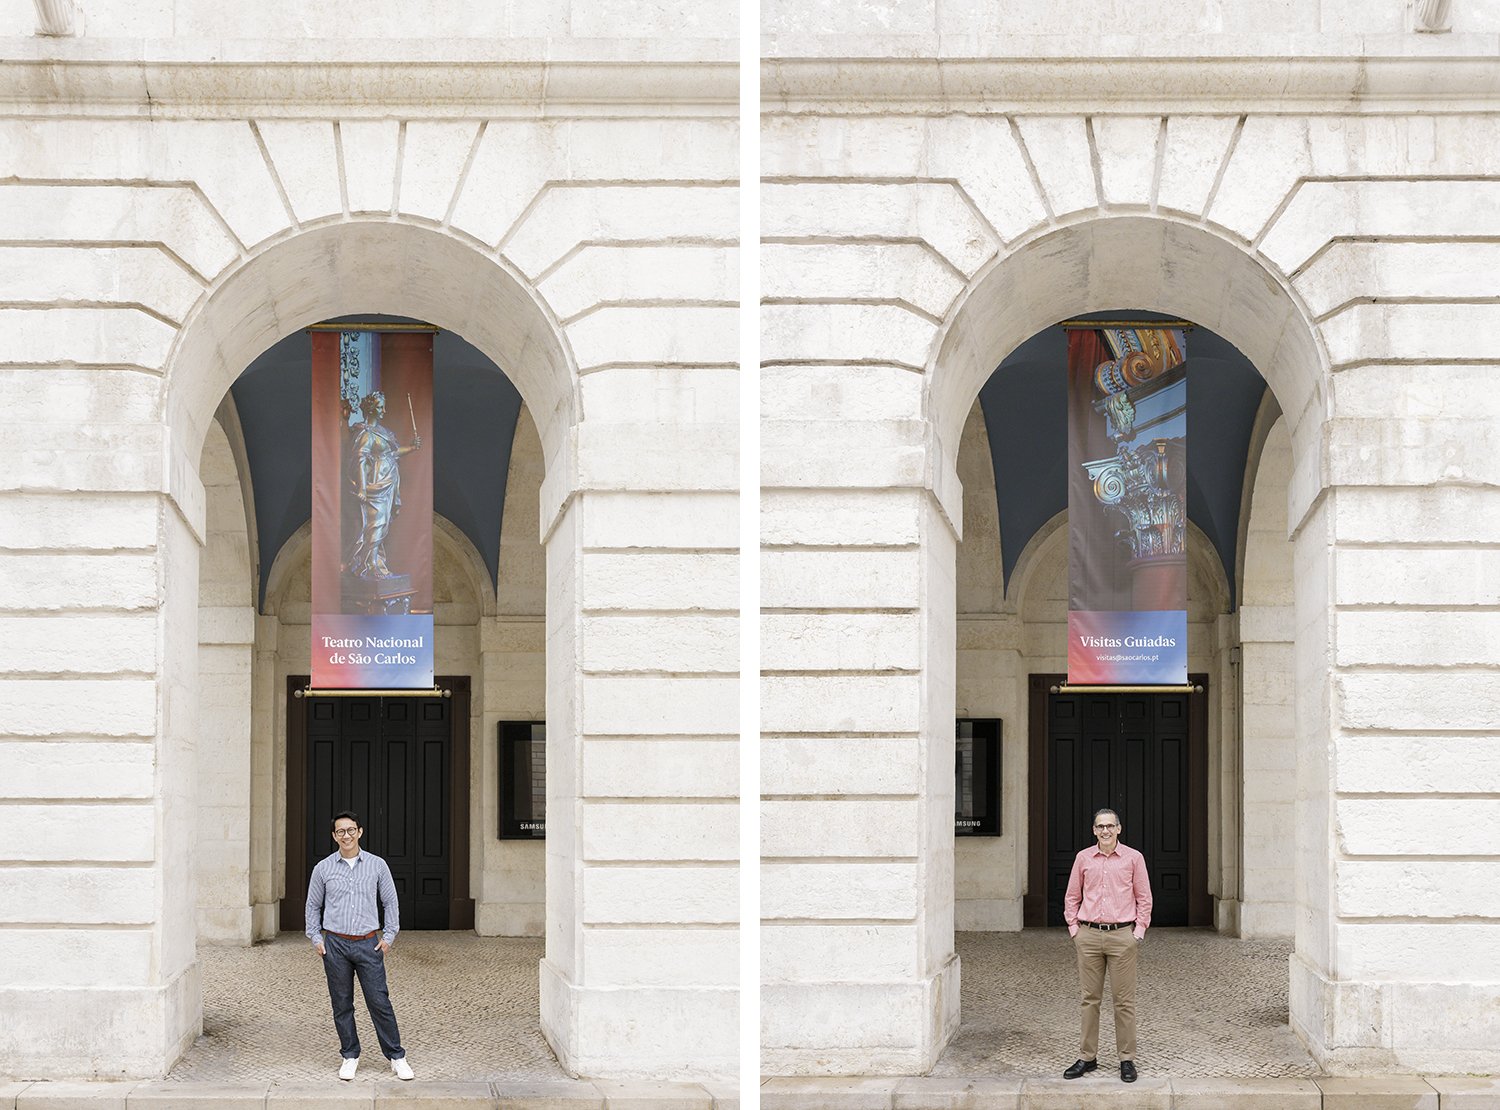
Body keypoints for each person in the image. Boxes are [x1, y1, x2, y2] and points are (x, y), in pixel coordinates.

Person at [304, 811, 415, 1081]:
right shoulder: (323, 868)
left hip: (368, 944)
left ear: (360, 832)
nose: (346, 835)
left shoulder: (377, 866)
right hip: (336, 945)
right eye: (340, 831)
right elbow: (312, 905)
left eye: (351, 830)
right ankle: (350, 1055)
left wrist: (389, 936)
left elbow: (390, 902)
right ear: (334, 836)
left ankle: (397, 1057)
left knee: (379, 1002)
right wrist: (316, 939)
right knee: (342, 1004)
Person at [1061, 807, 1153, 1084]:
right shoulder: (1083, 858)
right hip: (1088, 936)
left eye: (1110, 826)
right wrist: (1074, 929)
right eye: (1100, 826)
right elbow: (1071, 896)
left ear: (1119, 829)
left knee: (1124, 1001)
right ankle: (1087, 1057)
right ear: (1094, 830)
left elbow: (1144, 898)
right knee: (1090, 999)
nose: (1105, 831)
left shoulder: (1133, 859)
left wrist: (1137, 932)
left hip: (1122, 937)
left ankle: (1126, 1059)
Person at [346, 391, 421, 582]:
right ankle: (369, 565)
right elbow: (360, 461)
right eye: (380, 407)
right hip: (375, 484)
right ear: (371, 409)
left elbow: (393, 453)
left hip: (388, 484)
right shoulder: (365, 433)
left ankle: (376, 562)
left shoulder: (384, 433)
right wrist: (362, 487)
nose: (384, 411)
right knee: (375, 524)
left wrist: (411, 448)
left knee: (383, 524)